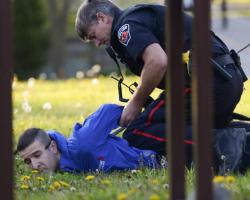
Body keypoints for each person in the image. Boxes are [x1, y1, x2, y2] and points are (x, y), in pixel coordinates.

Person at [75, 0, 245, 129]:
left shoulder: (125, 28)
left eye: (93, 36)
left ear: (102, 18)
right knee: (180, 125)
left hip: (209, 84)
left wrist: (136, 103)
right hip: (226, 80)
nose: (97, 43)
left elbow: (157, 61)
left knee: (140, 130)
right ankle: (239, 139)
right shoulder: (136, 17)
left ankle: (229, 151)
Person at [15, 104, 161, 173]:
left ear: (53, 147)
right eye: (28, 161)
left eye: (37, 155)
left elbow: (107, 111)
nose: (34, 166)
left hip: (156, 153)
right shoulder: (63, 169)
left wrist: (128, 114)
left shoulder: (83, 144)